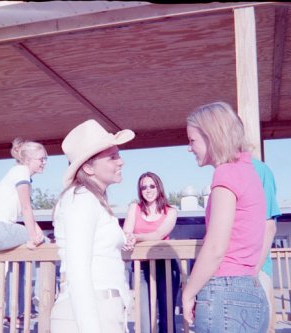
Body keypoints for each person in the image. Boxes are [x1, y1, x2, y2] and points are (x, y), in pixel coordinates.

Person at [182, 101, 269, 332]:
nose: (189, 148)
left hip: (224, 292)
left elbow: (215, 248)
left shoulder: (225, 174)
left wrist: (188, 293)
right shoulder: (248, 171)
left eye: (192, 140)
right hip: (251, 289)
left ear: (212, 136)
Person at [50, 119, 135, 333]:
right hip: (89, 316)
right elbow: (78, 273)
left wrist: (124, 239)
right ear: (88, 167)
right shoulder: (80, 199)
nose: (121, 162)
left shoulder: (91, 200)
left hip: (102, 312)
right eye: (112, 157)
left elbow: (99, 246)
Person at [0, 137, 47, 325]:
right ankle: (42, 299)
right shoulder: (21, 172)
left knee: (21, 260)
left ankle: (13, 312)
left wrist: (36, 235)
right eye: (41, 159)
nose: (45, 162)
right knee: (45, 245)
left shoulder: (19, 174)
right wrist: (35, 238)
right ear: (28, 160)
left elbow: (29, 214)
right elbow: (26, 210)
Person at [122, 171, 180, 333]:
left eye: (152, 186)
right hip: (141, 268)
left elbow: (158, 234)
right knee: (143, 319)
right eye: (143, 187)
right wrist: (127, 239)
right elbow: (126, 233)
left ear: (159, 187)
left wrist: (135, 237)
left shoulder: (171, 211)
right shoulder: (134, 208)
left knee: (166, 318)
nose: (148, 190)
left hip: (167, 268)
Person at [253, 159, 281, 333]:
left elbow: (269, 226)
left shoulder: (259, 170)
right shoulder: (222, 173)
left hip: (257, 270)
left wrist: (254, 271)